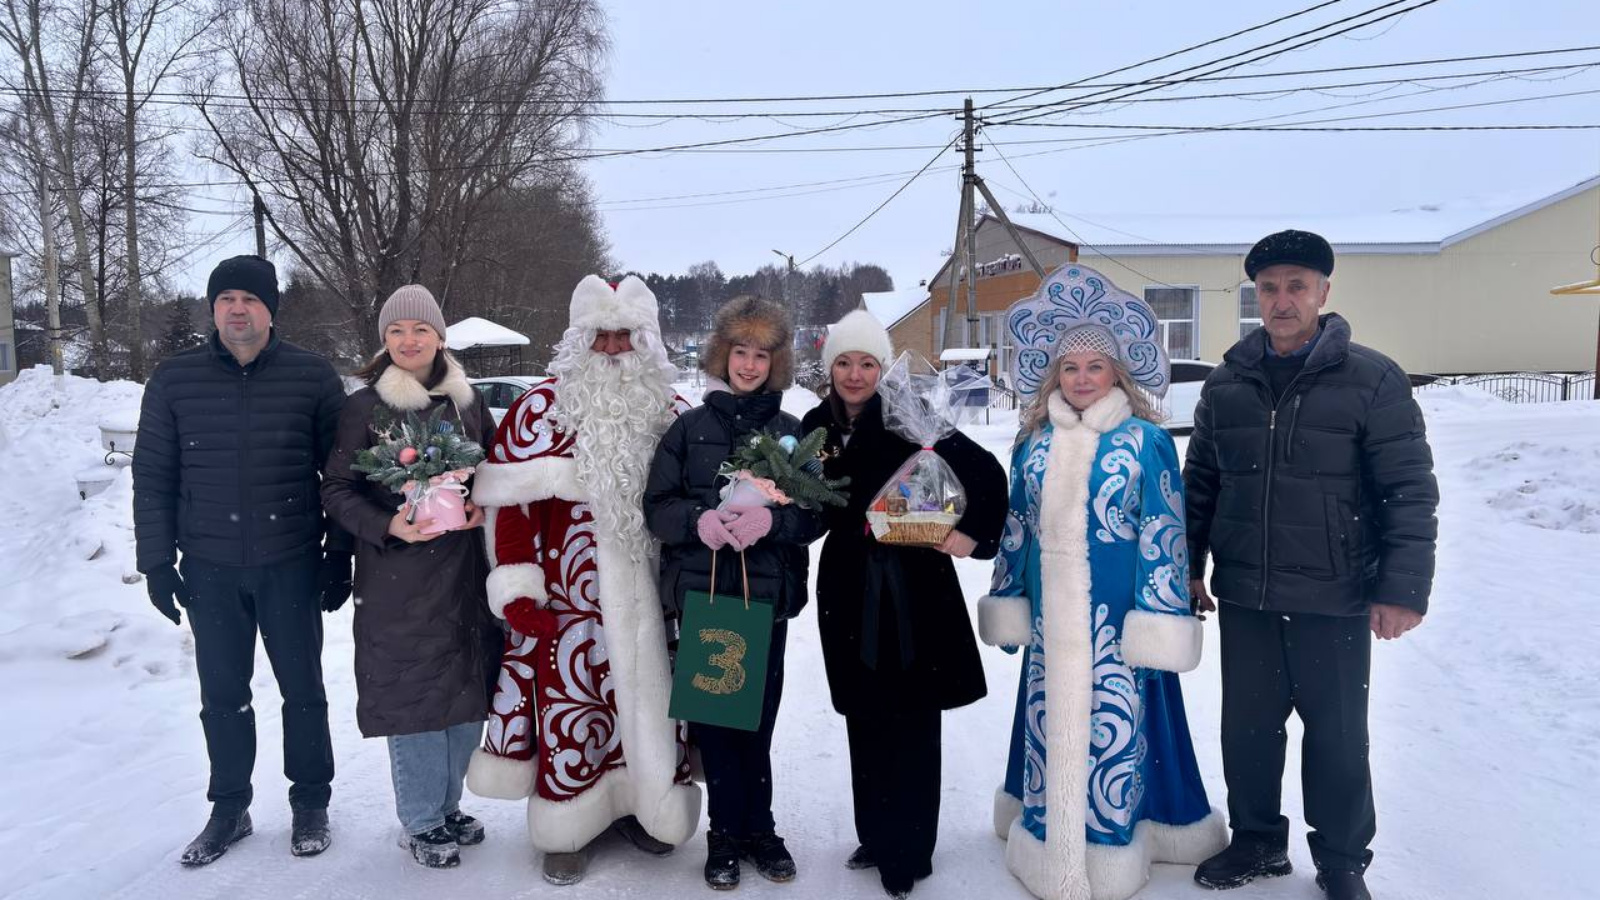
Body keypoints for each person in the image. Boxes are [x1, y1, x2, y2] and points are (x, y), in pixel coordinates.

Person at [1184, 230, 1439, 900]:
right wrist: (1187, 567)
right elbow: (1200, 485)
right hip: (1247, 592)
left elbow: (1408, 490)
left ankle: (1342, 860)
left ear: (1324, 291)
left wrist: (1402, 589)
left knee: (1338, 737)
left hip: (1336, 593)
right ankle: (1258, 841)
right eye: (1268, 288)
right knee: (1247, 731)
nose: (1281, 300)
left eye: (1296, 286)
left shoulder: (1371, 379)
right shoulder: (1228, 382)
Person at [977, 269, 1226, 900]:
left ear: (1118, 372)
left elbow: (1165, 530)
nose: (1082, 378)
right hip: (1048, 620)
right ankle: (1045, 834)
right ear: (1053, 375)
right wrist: (1008, 600)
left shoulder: (1146, 442)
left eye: (1095, 366)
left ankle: (1119, 838)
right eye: (1070, 367)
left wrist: (1157, 617)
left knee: (1120, 724)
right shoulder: (1032, 444)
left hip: (1118, 618)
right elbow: (1016, 528)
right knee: (1050, 720)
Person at [466, 275, 701, 885]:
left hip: (657, 599)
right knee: (572, 709)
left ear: (647, 340)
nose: (614, 348)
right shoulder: (538, 410)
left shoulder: (674, 412)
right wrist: (518, 588)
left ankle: (646, 807)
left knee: (654, 706)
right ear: (579, 339)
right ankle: (569, 824)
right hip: (568, 604)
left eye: (626, 336)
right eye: (601, 336)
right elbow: (509, 508)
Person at [132, 254, 347, 866]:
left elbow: (341, 474)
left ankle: (311, 801)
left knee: (303, 691)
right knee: (222, 697)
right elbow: (153, 476)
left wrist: (339, 553)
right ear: (213, 308)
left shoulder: (311, 377)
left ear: (270, 310)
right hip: (210, 567)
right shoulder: (174, 380)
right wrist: (156, 563)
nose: (237, 309)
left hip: (291, 563)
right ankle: (229, 808)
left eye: (250, 299)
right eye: (226, 298)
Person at [798, 310, 1007, 900]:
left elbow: (986, 475)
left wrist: (972, 536)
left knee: (912, 714)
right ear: (829, 368)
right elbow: (811, 503)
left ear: (882, 367)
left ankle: (910, 849)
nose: (855, 374)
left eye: (867, 363)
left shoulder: (909, 412)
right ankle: (875, 833)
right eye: (844, 362)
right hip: (848, 581)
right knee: (864, 712)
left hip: (914, 582)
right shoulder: (815, 426)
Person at [644, 296, 823, 890]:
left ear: (777, 363)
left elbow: (817, 512)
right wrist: (698, 520)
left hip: (767, 600)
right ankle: (724, 834)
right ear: (723, 355)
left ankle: (760, 830)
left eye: (761, 355)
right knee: (719, 724)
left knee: (759, 722)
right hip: (706, 597)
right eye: (740, 352)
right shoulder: (688, 429)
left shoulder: (793, 433)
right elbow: (657, 506)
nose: (749, 365)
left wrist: (775, 521)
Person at [320, 285, 500, 868]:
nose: (408, 340)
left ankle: (448, 807)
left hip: (465, 573)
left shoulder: (467, 402)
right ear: (384, 340)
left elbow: (495, 469)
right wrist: (388, 525)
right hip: (398, 578)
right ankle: (421, 820)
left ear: (440, 337)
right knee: (415, 697)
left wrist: (480, 505)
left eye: (420, 329)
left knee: (466, 695)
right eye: (396, 330)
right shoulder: (365, 408)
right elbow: (336, 489)